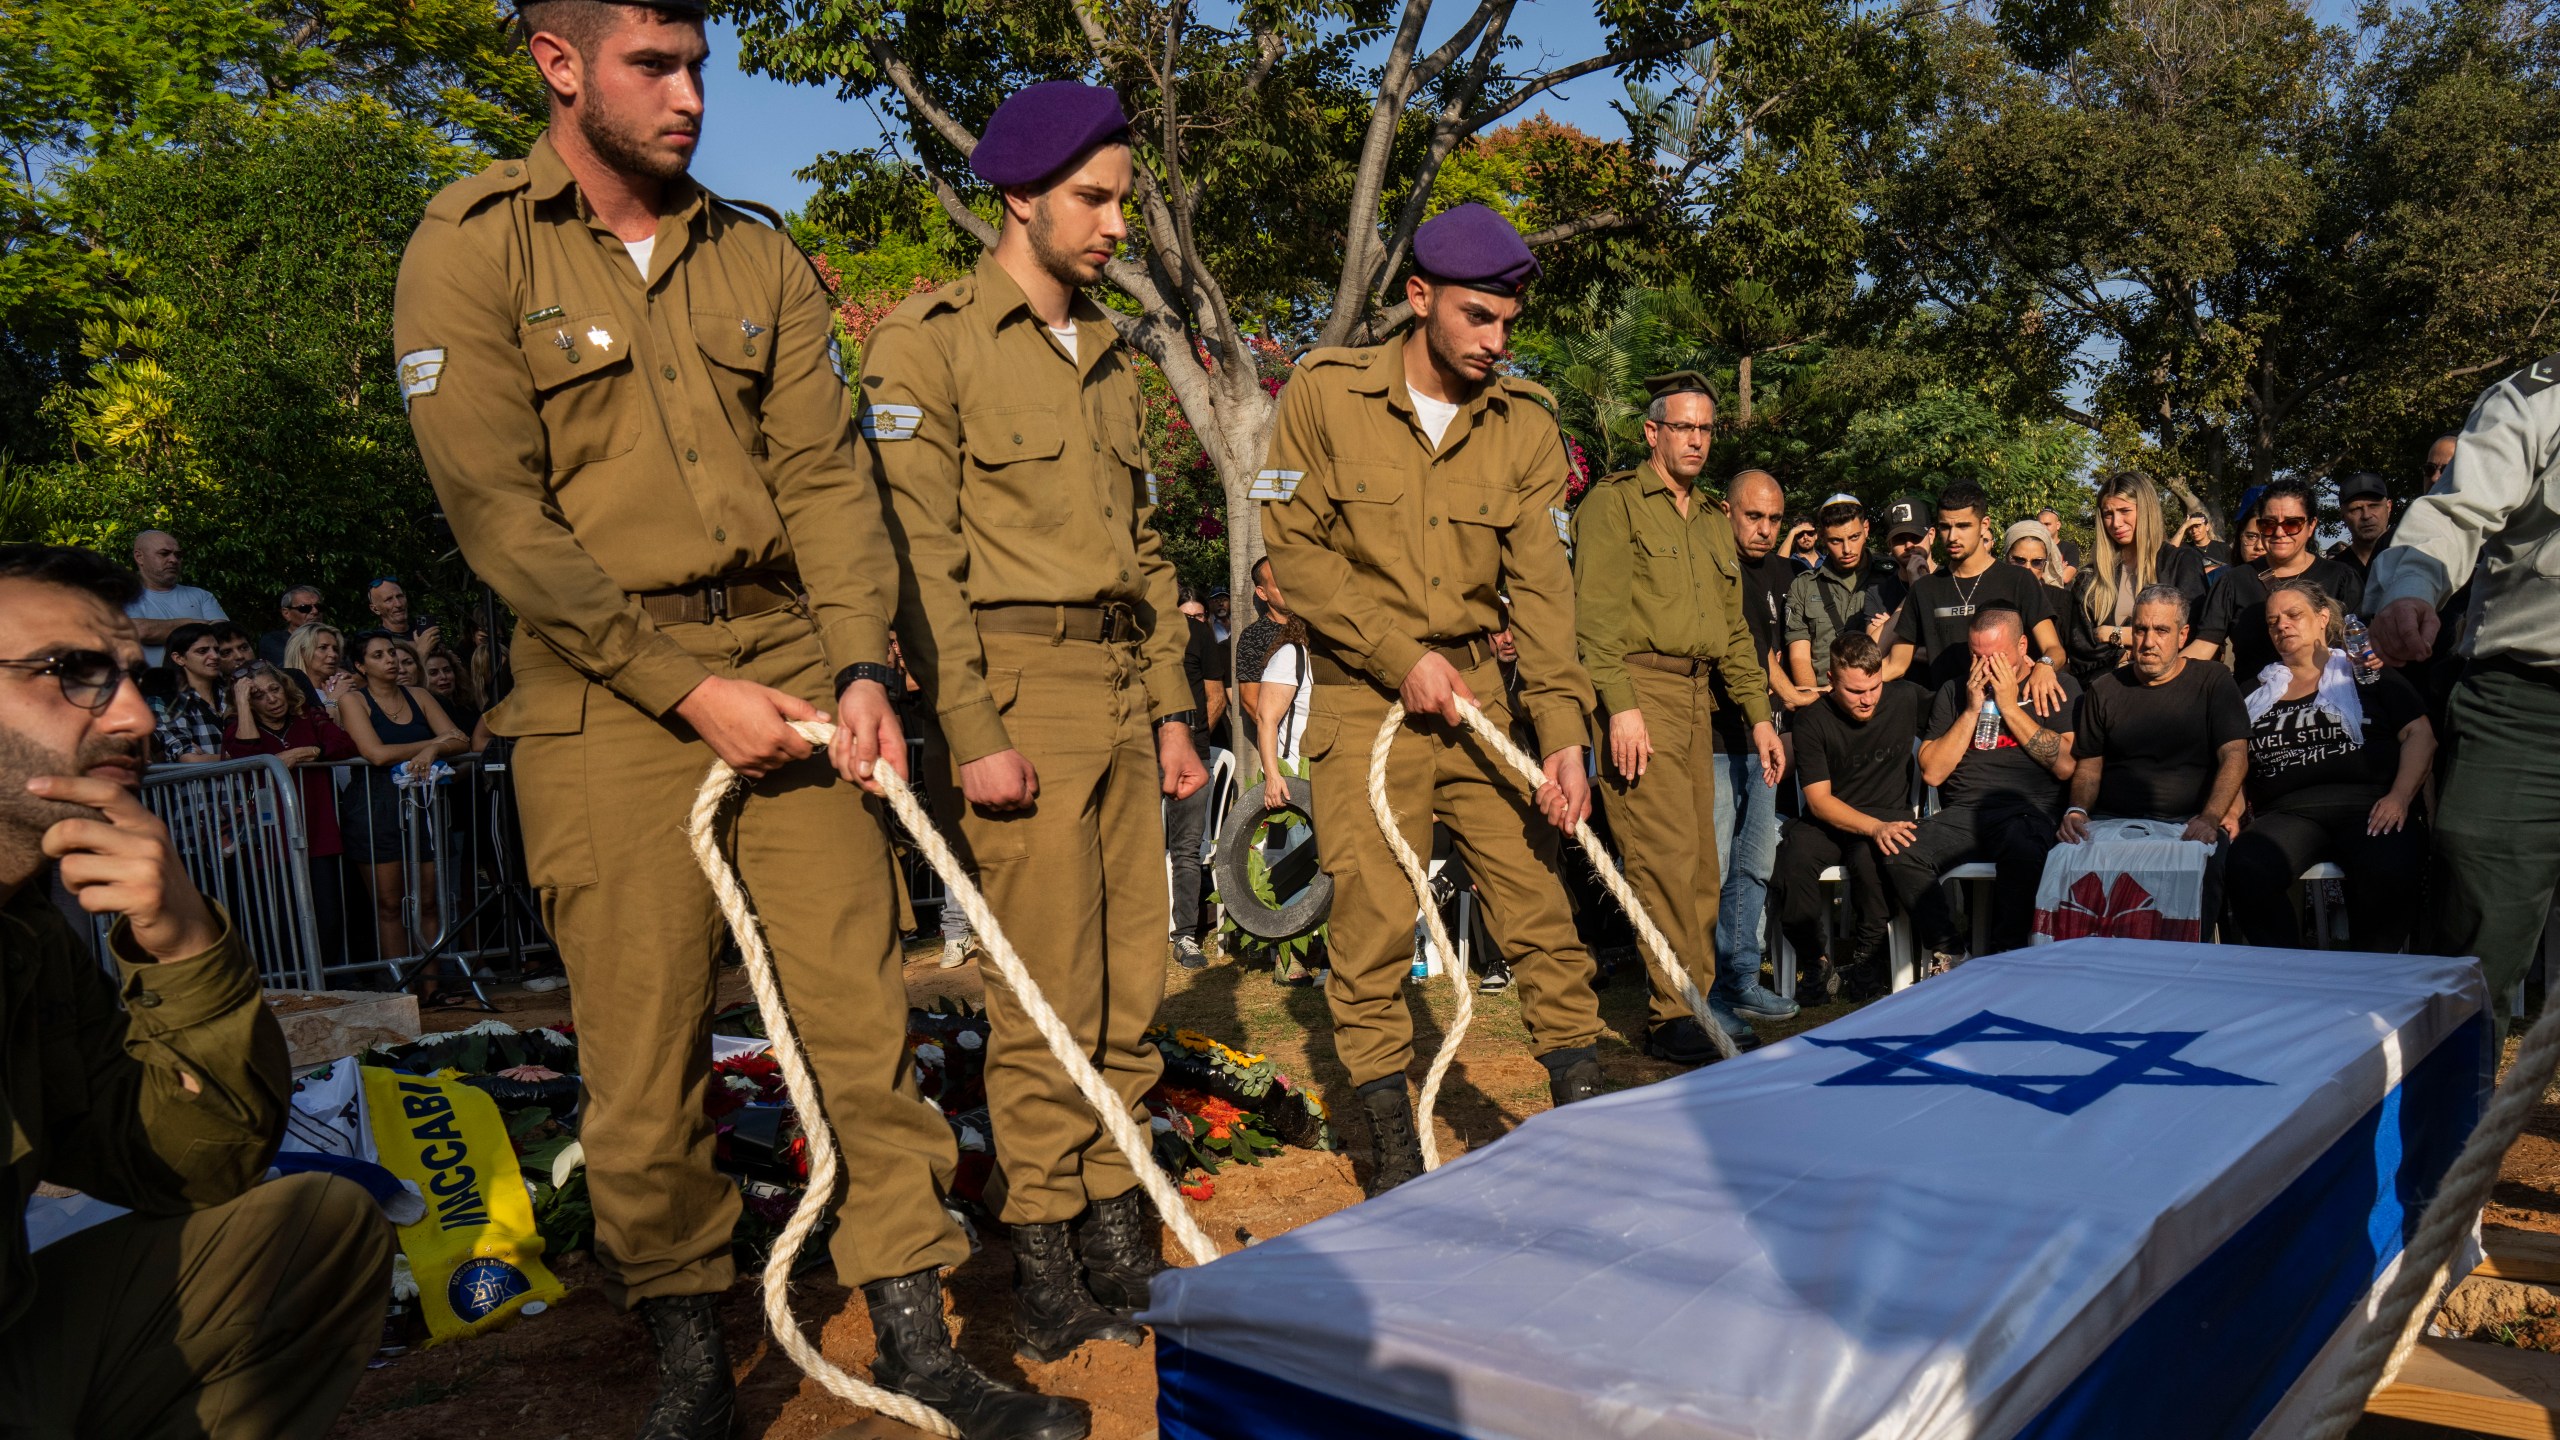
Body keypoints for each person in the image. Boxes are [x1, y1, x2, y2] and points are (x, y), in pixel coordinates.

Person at [395, 8, 1073, 1433]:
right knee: (642, 1067)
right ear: (559, 63)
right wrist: (685, 691)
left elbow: (830, 481)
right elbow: (498, 516)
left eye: (702, 65)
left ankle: (917, 1337)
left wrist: (861, 673)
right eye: (657, 65)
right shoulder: (473, 246)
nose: (693, 97)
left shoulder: (756, 249)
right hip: (603, 695)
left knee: (859, 1027)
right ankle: (692, 1373)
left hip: (795, 658)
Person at [862, 81, 1209, 1378]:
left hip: (1126, 691)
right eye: (1096, 199)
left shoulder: (1113, 355)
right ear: (1018, 197)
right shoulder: (928, 344)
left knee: (1132, 981)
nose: (1121, 224)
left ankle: (1122, 1234)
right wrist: (971, 726)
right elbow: (917, 558)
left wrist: (1174, 707)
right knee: (1042, 992)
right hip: (1014, 692)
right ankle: (1048, 1260)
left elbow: (1151, 546)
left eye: (1124, 198)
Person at [1260, 200, 1613, 1195]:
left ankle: (1583, 1129)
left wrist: (1562, 737)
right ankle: (1392, 1151)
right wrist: (1392, 651)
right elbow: (1294, 554)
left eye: (1507, 323)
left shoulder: (1525, 422)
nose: (1495, 343)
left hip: (1485, 697)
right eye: (1475, 318)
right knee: (1371, 927)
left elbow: (1544, 593)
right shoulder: (1324, 396)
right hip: (1365, 695)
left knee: (1538, 908)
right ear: (1418, 299)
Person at [0, 542, 391, 1436]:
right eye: (74, 674)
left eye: (132, 678)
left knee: (308, 1231)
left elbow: (190, 1166)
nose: (137, 718)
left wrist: (183, 943)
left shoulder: (33, 939)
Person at [1574, 371, 1791, 1064]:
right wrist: (1621, 707)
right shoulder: (1615, 506)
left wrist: (1758, 717)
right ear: (1653, 432)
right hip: (1642, 689)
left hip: (1699, 698)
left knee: (1702, 865)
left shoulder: (1709, 519)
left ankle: (1696, 1003)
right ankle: (1675, 1015)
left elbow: (1733, 634)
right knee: (1665, 859)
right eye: (1683, 428)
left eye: (1705, 429)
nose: (1696, 440)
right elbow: (1594, 622)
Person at [2370, 365, 2560, 1032]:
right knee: (2476, 935)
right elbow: (2455, 512)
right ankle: (2445, 1125)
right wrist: (2411, 588)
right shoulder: (2536, 399)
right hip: (2529, 706)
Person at [2223, 578, 2433, 951]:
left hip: (2369, 806)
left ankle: (2369, 975)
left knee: (2389, 867)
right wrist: (2233, 810)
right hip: (2288, 812)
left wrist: (2400, 797)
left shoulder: (2367, 671)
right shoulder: (2253, 691)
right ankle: (2290, 974)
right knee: (2247, 865)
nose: (2282, 625)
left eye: (2293, 615)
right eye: (2273, 621)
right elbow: (2237, 757)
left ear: (2322, 618)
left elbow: (2419, 735)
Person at [1891, 607, 2078, 966]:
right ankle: (1951, 953)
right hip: (1965, 812)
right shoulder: (1954, 691)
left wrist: (2009, 706)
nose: (1985, 667)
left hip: (2028, 809)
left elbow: (2066, 765)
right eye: (1976, 656)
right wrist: (1972, 709)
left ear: (2022, 646)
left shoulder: (2056, 686)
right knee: (1902, 850)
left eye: (1995, 657)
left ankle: (2006, 956)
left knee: (2023, 848)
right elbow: (1932, 773)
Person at [2059, 586, 2250, 922]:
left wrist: (2211, 816)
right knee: (2065, 860)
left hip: (2189, 821)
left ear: (2182, 635)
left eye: (2161, 630)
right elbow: (2089, 767)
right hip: (2113, 823)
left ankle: (2189, 967)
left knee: (2203, 866)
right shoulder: (2104, 689)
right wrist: (2077, 811)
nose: (2148, 642)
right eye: (2141, 629)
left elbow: (2235, 754)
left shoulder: (2213, 680)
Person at [1772, 633, 1923, 1001]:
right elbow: (1820, 801)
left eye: (1873, 687)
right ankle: (1816, 963)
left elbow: (1956, 700)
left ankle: (1866, 961)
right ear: (1830, 679)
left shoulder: (1905, 697)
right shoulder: (1812, 719)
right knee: (1790, 864)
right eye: (1855, 691)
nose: (1868, 699)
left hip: (1888, 814)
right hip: (1829, 819)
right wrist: (1873, 827)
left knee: (1872, 863)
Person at [1712, 470, 1812, 1026]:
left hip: (1767, 743)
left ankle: (1744, 980)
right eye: (1754, 516)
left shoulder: (1786, 573)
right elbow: (1747, 657)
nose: (1765, 529)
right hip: (1716, 739)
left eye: (1775, 518)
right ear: (1727, 512)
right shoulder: (1710, 567)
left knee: (1754, 865)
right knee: (1714, 867)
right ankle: (1705, 988)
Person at [335, 632, 469, 994]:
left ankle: (432, 986)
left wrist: (431, 752)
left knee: (429, 901)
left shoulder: (421, 695)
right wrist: (433, 746)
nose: (391, 660)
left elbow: (461, 739)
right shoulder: (353, 700)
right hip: (375, 805)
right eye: (378, 655)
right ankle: (402, 988)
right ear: (361, 666)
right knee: (390, 904)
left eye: (393, 652)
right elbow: (375, 753)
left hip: (424, 805)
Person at [1884, 482, 2072, 705]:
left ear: (1984, 525)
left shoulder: (2019, 580)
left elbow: (2055, 649)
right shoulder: (1925, 589)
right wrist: (1841, 686)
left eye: (1963, 526)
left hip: (2009, 714)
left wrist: (2045, 665)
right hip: (1948, 714)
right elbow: (1895, 665)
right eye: (1945, 527)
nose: (1953, 537)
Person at [226, 660, 360, 959]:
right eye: (258, 695)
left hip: (317, 831)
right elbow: (244, 755)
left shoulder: (308, 717)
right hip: (270, 838)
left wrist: (305, 752)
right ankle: (295, 988)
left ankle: (332, 982)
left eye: (274, 689)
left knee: (328, 915)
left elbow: (343, 744)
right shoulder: (238, 727)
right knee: (282, 918)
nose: (271, 699)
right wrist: (243, 706)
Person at [2191, 478, 2365, 678]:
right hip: (2254, 703)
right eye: (2269, 524)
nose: (2279, 532)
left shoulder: (2341, 578)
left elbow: (2360, 648)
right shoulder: (2233, 582)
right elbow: (2204, 646)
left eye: (2292, 524)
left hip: (2329, 700)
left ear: (2311, 525)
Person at [2065, 470, 2211, 681]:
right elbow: (2081, 650)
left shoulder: (2181, 563)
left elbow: (2192, 634)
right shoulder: (2090, 577)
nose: (2116, 523)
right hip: (2108, 689)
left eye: (2125, 511)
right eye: (2108, 514)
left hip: (2170, 690)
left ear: (2147, 510)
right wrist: (2126, 654)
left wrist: (2118, 634)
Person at [1168, 599, 1228, 969]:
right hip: (1141, 753)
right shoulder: (1139, 633)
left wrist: (1193, 742)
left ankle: (1185, 936)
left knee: (1187, 848)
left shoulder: (1199, 635)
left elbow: (1215, 696)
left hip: (1192, 753)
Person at [1784, 495, 1892, 693]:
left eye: (1854, 537)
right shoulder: (1803, 586)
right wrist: (1814, 702)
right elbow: (1799, 656)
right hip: (1824, 696)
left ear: (1866, 529)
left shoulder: (1891, 577)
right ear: (1822, 537)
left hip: (1878, 695)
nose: (1847, 549)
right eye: (1836, 541)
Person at [124, 529, 228, 668]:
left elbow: (223, 635)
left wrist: (158, 630)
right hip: (147, 687)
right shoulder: (123, 596)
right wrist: (200, 626)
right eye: (164, 554)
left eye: (178, 555)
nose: (173, 560)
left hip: (203, 688)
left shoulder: (201, 596)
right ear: (139, 557)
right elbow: (138, 630)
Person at [1232, 556, 1288, 768]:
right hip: (1284, 749)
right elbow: (1249, 699)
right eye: (1278, 584)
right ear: (1262, 593)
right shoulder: (1253, 637)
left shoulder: (1317, 627)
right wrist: (1283, 734)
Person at [151, 622, 232, 764]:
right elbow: (188, 760)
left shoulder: (233, 692)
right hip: (200, 786)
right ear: (178, 658)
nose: (214, 656)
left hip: (250, 784)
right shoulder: (166, 701)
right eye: (202, 651)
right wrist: (249, 756)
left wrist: (206, 759)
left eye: (216, 649)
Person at [421, 644, 489, 751]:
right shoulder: (424, 712)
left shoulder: (469, 704)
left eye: (447, 670)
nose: (443, 677)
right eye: (433, 673)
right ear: (422, 678)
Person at [2328, 471, 2394, 579]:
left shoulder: (2411, 558)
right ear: (2342, 515)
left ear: (2389, 507)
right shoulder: (2333, 575)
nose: (2366, 515)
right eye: (2356, 509)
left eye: (2374, 506)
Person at [282, 621, 355, 716]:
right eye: (323, 647)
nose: (333, 654)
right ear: (302, 652)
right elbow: (319, 729)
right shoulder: (288, 695)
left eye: (336, 649)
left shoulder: (343, 687)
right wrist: (333, 699)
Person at [364, 576, 439, 656]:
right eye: (388, 600)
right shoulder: (378, 642)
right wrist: (422, 651)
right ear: (375, 609)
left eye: (400, 596)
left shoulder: (423, 630)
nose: (398, 604)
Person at [2004, 520, 2070, 601]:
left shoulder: (2061, 600)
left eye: (2037, 562)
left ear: (2045, 564)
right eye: (2019, 560)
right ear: (2007, 558)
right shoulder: (1990, 594)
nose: (2028, 568)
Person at [260, 585, 322, 666]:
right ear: (286, 613)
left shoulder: (334, 639)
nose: (315, 611)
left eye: (319, 607)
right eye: (305, 608)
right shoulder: (274, 641)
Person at [2037, 506, 2082, 584]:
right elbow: (2026, 576)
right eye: (2040, 525)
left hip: (2059, 595)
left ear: (2058, 525)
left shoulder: (2070, 548)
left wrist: (2039, 574)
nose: (2043, 528)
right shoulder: (2033, 548)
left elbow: (2065, 578)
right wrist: (2058, 570)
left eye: (2047, 524)